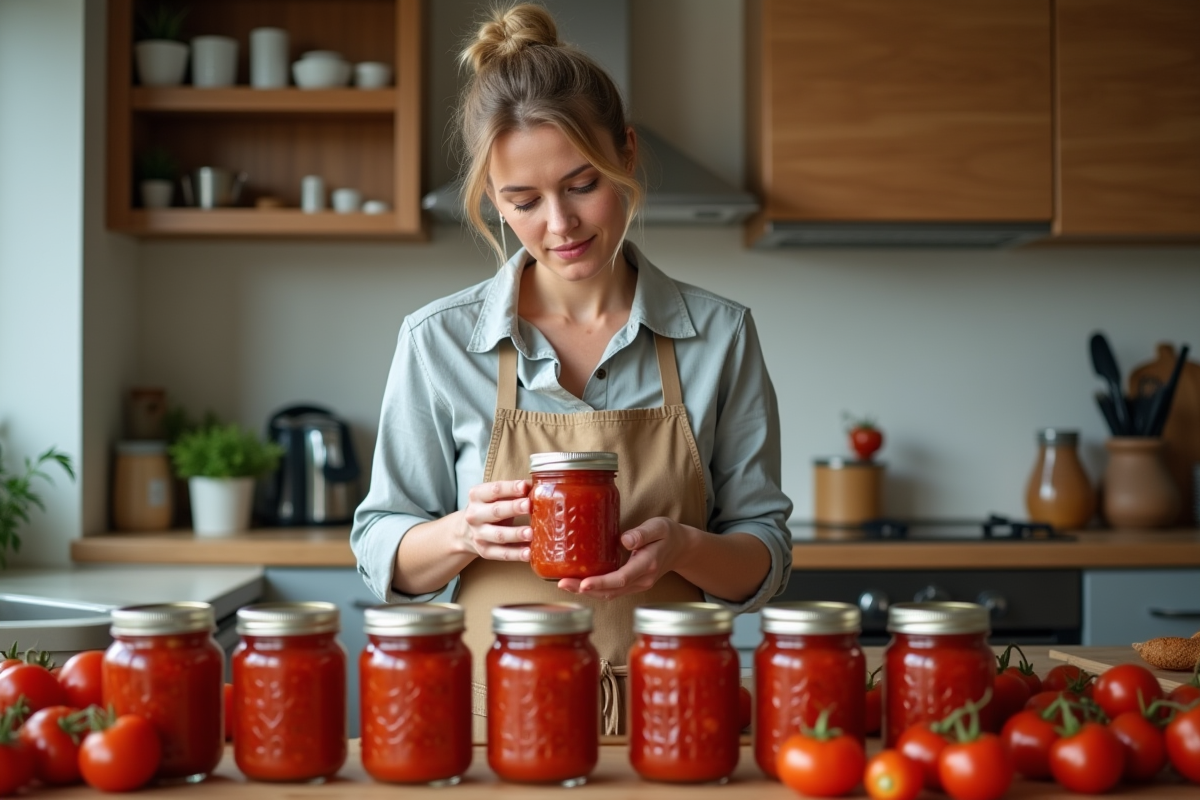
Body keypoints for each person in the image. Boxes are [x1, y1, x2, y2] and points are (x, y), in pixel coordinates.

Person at [351, 2, 792, 735]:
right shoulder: (439, 342)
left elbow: (764, 557)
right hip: (497, 724)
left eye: (583, 184)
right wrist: (462, 534)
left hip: (676, 718)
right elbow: (378, 546)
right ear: (492, 200)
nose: (560, 225)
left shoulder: (719, 335)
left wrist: (686, 549)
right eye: (523, 201)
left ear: (627, 152)